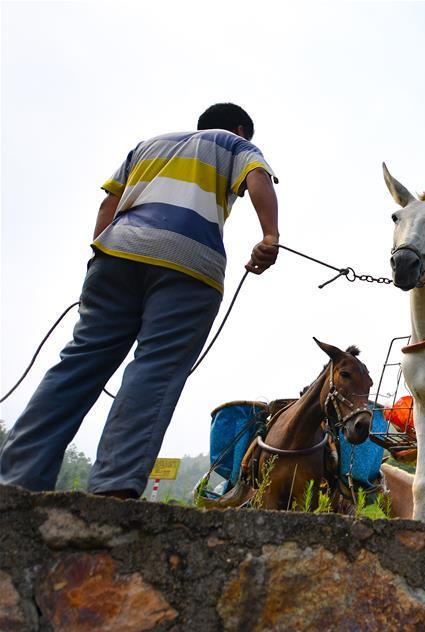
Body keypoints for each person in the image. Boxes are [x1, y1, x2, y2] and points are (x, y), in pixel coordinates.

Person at [0, 103, 280, 498]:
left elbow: (107, 207)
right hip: (188, 262)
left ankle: (18, 479)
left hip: (115, 255)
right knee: (156, 368)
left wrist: (99, 261)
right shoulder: (232, 143)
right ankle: (113, 487)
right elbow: (257, 177)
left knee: (79, 363)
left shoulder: (148, 145)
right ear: (239, 129)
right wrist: (270, 236)